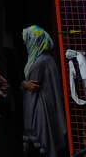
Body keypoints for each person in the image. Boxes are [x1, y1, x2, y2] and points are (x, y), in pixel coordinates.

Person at [21, 25, 67, 157]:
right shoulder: (48, 59)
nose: (26, 43)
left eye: (28, 39)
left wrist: (23, 85)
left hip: (40, 110)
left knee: (42, 146)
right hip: (49, 107)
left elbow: (32, 89)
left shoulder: (38, 63)